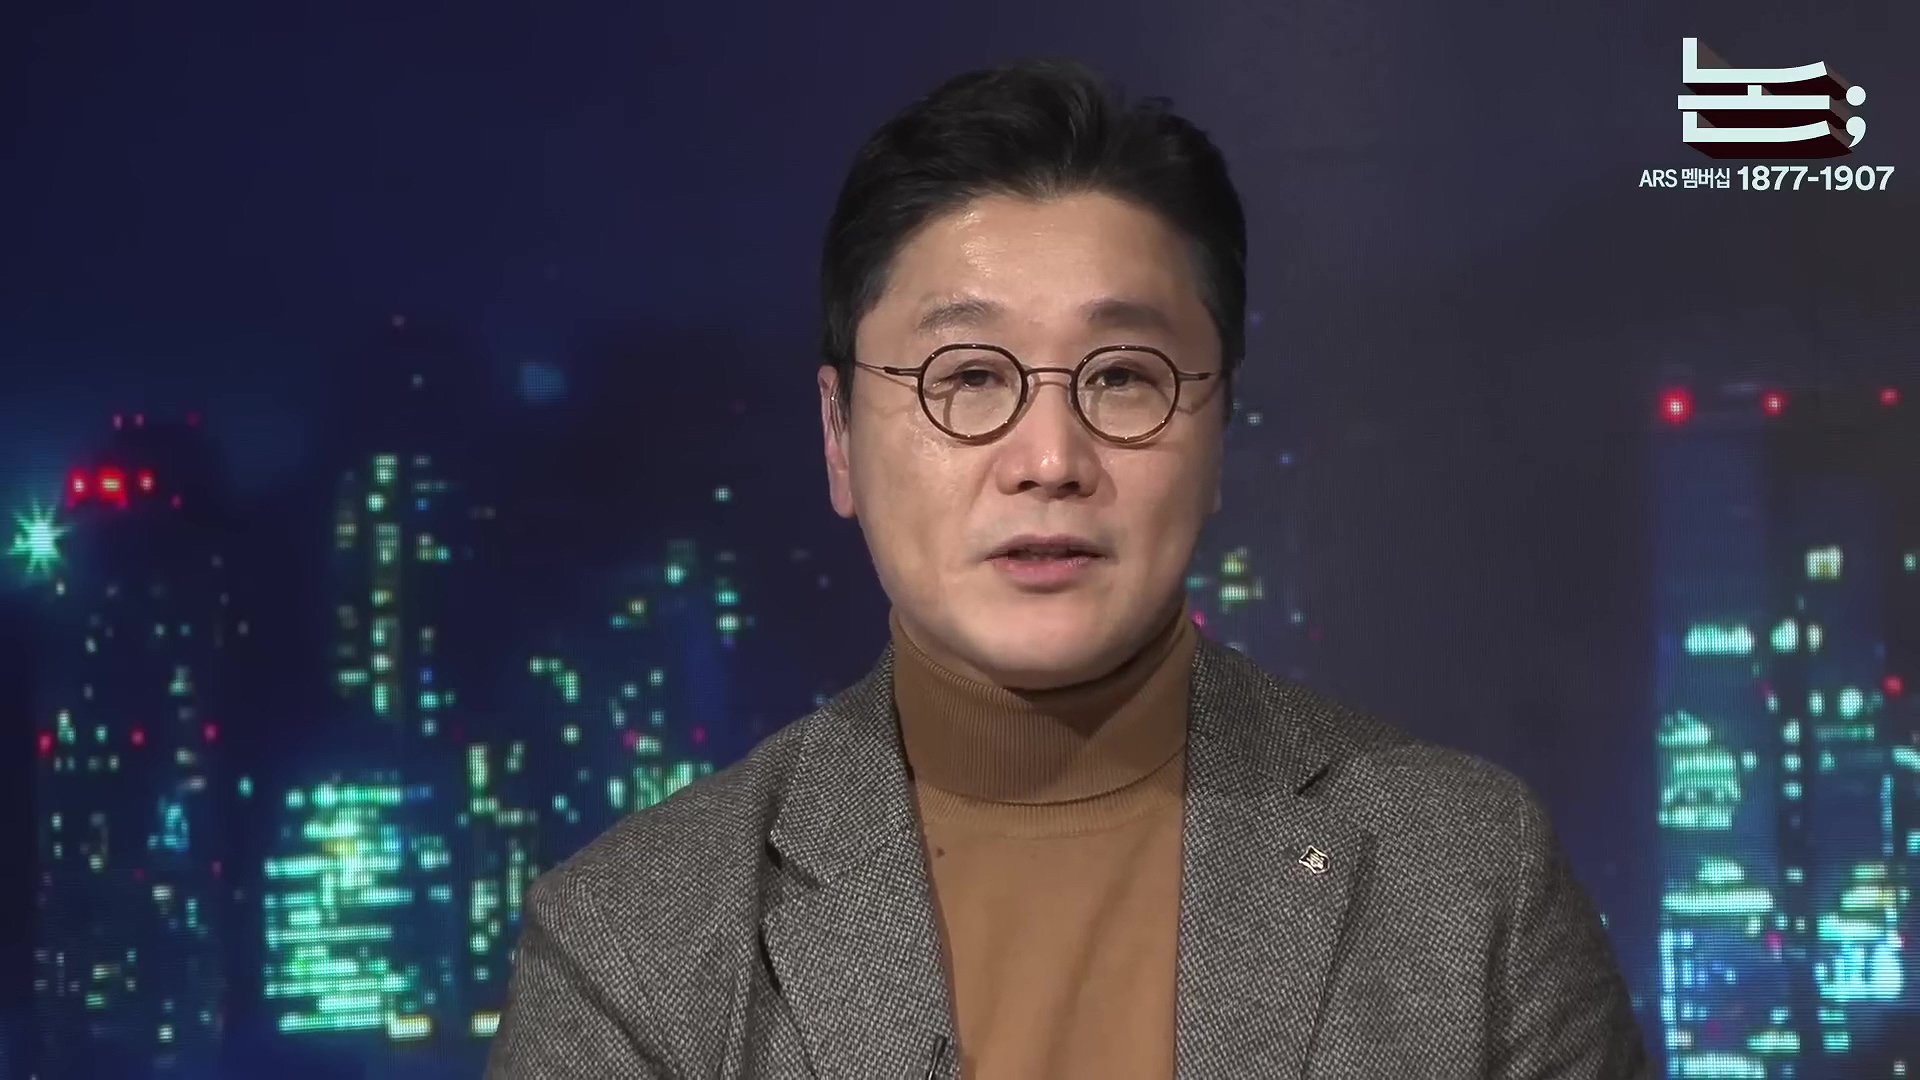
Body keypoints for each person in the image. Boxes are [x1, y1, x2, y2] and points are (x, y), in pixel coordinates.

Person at [487, 57, 1650, 1079]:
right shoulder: (633, 943)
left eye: (1124, 377)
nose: (1050, 459)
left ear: (1219, 433)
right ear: (839, 436)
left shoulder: (1467, 881)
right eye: (968, 377)